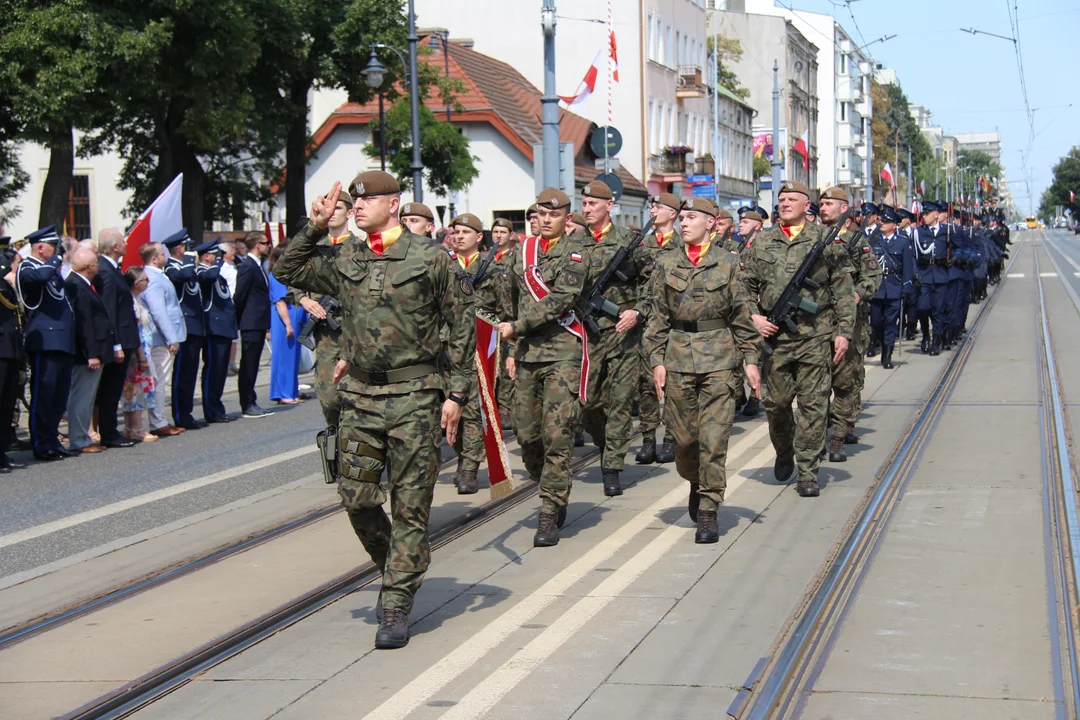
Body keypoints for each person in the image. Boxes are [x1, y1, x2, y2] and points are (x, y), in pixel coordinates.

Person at [273, 171, 474, 649]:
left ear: (394, 204)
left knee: (410, 506)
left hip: (415, 396)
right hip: (360, 397)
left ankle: (397, 601)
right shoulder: (347, 256)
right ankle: (398, 566)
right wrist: (315, 225)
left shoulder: (431, 257)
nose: (357, 207)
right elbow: (286, 270)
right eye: (353, 202)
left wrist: (457, 395)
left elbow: (461, 327)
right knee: (357, 498)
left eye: (368, 201)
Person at [644, 197, 762, 542]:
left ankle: (709, 509)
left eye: (692, 217)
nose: (684, 223)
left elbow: (743, 314)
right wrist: (656, 360)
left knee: (714, 439)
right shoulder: (666, 263)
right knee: (684, 441)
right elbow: (657, 318)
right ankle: (696, 479)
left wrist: (751, 360)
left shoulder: (728, 263)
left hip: (720, 360)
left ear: (711, 223)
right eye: (682, 218)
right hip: (678, 358)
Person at [486, 188, 590, 547]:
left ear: (566, 217)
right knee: (528, 436)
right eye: (541, 214)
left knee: (557, 433)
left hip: (563, 352)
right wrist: (512, 343)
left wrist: (517, 326)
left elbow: (562, 299)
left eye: (554, 214)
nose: (546, 220)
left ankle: (550, 508)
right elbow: (510, 301)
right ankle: (550, 483)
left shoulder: (576, 253)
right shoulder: (523, 252)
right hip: (528, 353)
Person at [743, 181, 856, 498]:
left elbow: (843, 292)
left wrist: (843, 331)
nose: (785, 203)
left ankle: (808, 470)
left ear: (808, 206)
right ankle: (784, 449)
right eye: (781, 199)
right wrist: (755, 317)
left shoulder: (825, 240)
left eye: (792, 199)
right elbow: (744, 289)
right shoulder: (762, 242)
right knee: (776, 405)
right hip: (776, 338)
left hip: (814, 334)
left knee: (813, 405)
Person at [579, 180, 652, 498]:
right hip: (585, 336)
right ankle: (606, 442)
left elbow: (653, 279)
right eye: (583, 204)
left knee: (620, 403)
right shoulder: (573, 242)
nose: (587, 209)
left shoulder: (629, 242)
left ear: (609, 206)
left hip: (622, 335)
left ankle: (612, 467)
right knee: (587, 403)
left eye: (593, 203)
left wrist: (638, 310)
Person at [819, 187, 881, 459]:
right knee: (816, 385)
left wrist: (856, 294)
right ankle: (817, 438)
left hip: (850, 321)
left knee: (846, 381)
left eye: (829, 203)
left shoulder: (856, 240)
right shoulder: (815, 237)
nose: (823, 207)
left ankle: (839, 437)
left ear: (843, 208)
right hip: (819, 321)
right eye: (821, 203)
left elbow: (873, 276)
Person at [16, 226, 76, 461]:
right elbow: (38, 279)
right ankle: (41, 443)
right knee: (44, 393)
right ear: (40, 247)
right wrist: (58, 259)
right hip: (45, 339)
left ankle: (52, 439)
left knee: (59, 396)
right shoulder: (28, 267)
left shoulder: (51, 270)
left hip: (62, 339)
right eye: (53, 246)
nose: (56, 252)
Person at [293, 190, 354, 427]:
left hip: (356, 332)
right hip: (326, 336)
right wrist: (304, 300)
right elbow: (291, 277)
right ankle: (336, 443)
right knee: (329, 401)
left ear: (349, 213)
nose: (332, 213)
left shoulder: (361, 247)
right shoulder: (313, 247)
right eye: (329, 208)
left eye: (338, 208)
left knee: (358, 401)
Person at [636, 193, 683, 465]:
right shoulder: (642, 243)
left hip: (673, 324)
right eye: (651, 206)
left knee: (674, 383)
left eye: (658, 207)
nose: (652, 211)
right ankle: (648, 440)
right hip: (646, 322)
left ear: (672, 214)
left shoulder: (681, 243)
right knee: (646, 385)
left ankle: (670, 439)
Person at [65, 249, 120, 454]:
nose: (98, 267)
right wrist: (91, 353)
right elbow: (84, 323)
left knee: (86, 397)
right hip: (87, 353)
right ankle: (78, 439)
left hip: (94, 349)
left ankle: (82, 437)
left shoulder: (82, 284)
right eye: (95, 264)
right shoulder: (76, 285)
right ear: (88, 267)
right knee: (82, 396)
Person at [448, 213, 488, 494]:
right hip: (445, 347)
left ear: (479, 237)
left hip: (477, 347)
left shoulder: (491, 268)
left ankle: (470, 467)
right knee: (451, 409)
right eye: (456, 231)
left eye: (466, 231)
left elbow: (505, 308)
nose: (460, 236)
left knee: (472, 410)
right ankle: (464, 455)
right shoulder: (443, 266)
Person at [92, 229, 140, 449]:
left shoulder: (112, 269)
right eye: (122, 241)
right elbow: (109, 311)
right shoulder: (106, 271)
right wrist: (116, 345)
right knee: (110, 389)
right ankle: (109, 433)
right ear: (114, 247)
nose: (126, 243)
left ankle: (110, 430)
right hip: (117, 339)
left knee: (113, 388)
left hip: (124, 337)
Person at [140, 242, 187, 437]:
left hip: (163, 337)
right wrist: (171, 338)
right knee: (160, 380)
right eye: (162, 253)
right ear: (154, 258)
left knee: (160, 380)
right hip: (161, 338)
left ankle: (160, 419)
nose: (165, 255)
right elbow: (159, 311)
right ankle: (158, 422)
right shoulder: (153, 278)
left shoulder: (158, 275)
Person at [162, 230, 207, 430]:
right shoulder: (171, 267)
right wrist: (190, 261)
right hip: (183, 327)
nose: (192, 251)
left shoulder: (188, 267)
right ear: (179, 248)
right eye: (188, 247)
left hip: (195, 325)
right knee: (182, 373)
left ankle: (187, 412)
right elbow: (183, 277)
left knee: (190, 372)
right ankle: (181, 414)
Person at [194, 238, 237, 423]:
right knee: (213, 370)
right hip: (214, 327)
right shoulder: (203, 272)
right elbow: (207, 278)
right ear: (206, 256)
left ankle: (217, 406)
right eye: (214, 255)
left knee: (220, 370)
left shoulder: (216, 273)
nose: (218, 258)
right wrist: (220, 261)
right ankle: (211, 409)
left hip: (224, 327)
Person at [867, 206, 914, 371]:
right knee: (876, 321)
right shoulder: (874, 240)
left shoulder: (902, 242)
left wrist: (907, 287)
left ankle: (887, 355)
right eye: (881, 221)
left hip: (894, 286)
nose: (882, 224)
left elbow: (908, 266)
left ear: (894, 225)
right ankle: (879, 340)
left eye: (886, 222)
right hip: (877, 287)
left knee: (891, 322)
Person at [234, 232, 273, 418]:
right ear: (257, 245)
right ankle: (247, 403)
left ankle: (252, 399)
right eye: (266, 243)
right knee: (248, 363)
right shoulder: (248, 266)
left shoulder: (256, 265)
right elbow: (240, 295)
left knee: (253, 363)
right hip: (250, 321)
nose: (268, 246)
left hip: (257, 321)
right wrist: (241, 319)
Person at [121, 267, 159, 442]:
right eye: (145, 280)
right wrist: (142, 357)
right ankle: (136, 427)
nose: (148, 282)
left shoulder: (137, 299)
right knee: (136, 391)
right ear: (136, 284)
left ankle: (130, 427)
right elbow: (136, 331)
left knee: (134, 390)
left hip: (143, 351)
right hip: (138, 353)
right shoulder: (131, 302)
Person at [268, 246, 308, 405]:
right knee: (283, 358)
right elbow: (279, 302)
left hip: (295, 318)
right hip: (285, 320)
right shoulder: (277, 275)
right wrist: (288, 325)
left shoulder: (289, 274)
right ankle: (282, 393)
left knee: (293, 358)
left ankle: (292, 391)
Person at [912, 202, 951, 355]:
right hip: (924, 276)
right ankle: (925, 335)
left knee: (938, 310)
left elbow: (955, 249)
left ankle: (936, 340)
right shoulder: (918, 233)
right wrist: (915, 273)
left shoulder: (946, 232)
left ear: (936, 214)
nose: (924, 216)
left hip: (941, 276)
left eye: (927, 214)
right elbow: (913, 256)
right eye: (923, 214)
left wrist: (954, 259)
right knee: (922, 308)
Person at [0, 247, 23, 471]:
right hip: (2, 351)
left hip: (11, 350)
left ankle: (2, 452)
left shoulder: (7, 286)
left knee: (7, 405)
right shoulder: (3, 285)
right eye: (16, 265)